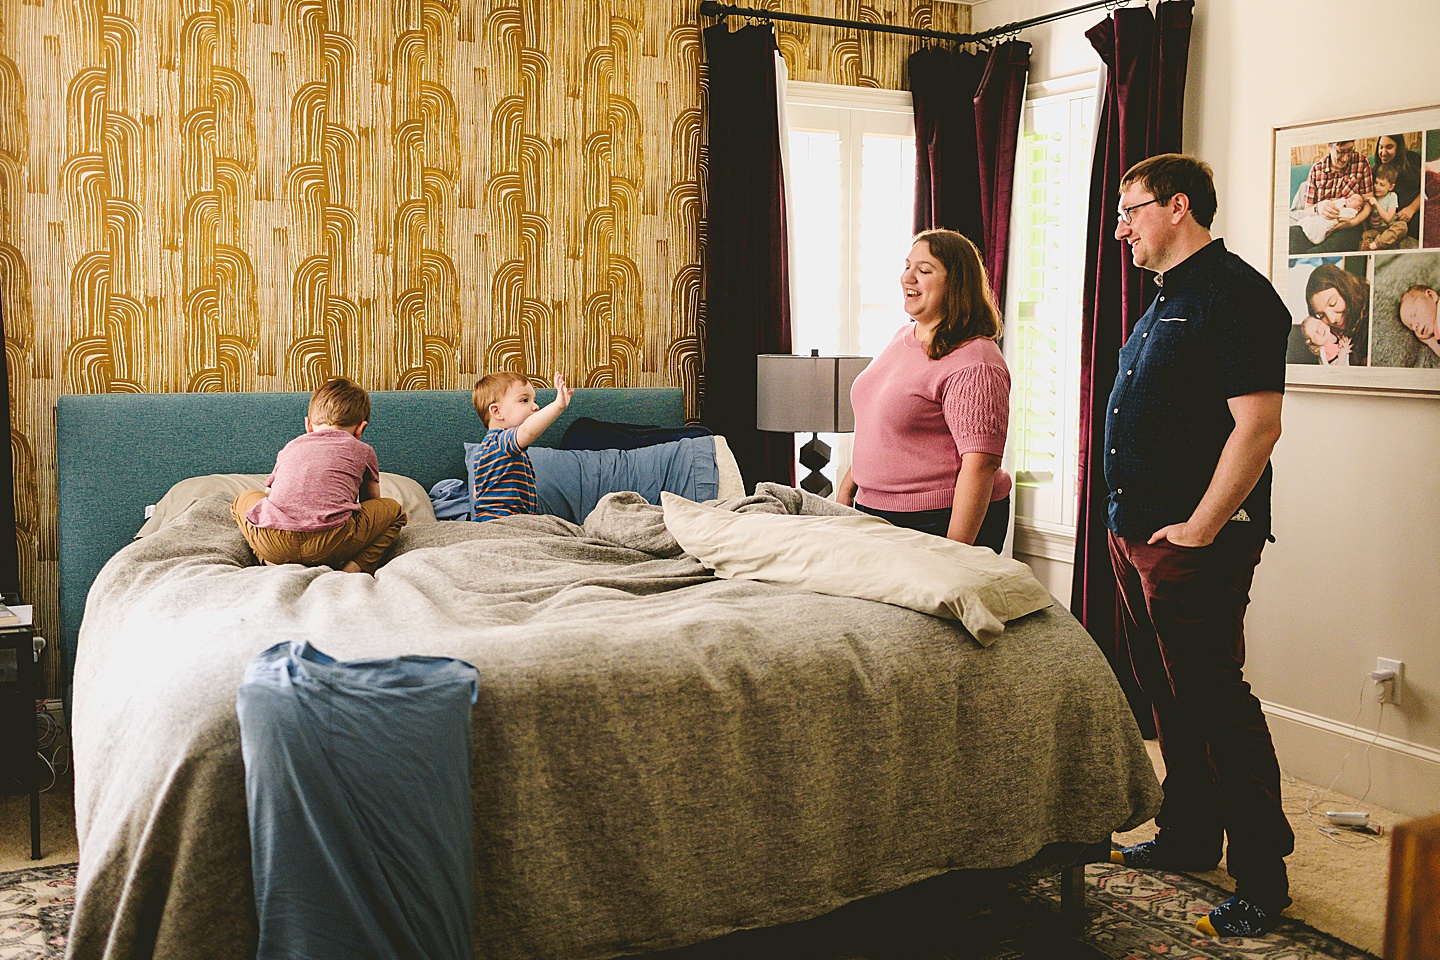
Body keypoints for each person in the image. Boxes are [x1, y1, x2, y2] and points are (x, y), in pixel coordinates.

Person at [1105, 154, 1293, 938]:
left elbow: (1259, 426)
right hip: (1137, 528)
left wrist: (1204, 526)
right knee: (1168, 697)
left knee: (1215, 698)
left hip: (1193, 539)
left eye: (1132, 211)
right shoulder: (1162, 300)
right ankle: (1188, 833)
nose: (1122, 229)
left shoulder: (1237, 295)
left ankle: (1262, 875)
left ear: (1178, 206)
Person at [834, 229, 1011, 553]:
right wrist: (847, 491)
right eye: (907, 266)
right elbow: (879, 428)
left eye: (924, 270)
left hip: (934, 521)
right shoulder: (903, 337)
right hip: (873, 514)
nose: (907, 278)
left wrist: (955, 555)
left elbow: (980, 464)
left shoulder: (975, 361)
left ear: (955, 283)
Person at [232, 377, 407, 574]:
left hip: (275, 543)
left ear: (308, 425)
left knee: (243, 499)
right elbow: (372, 502)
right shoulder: (363, 450)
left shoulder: (291, 446)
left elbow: (268, 495)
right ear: (360, 428)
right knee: (394, 512)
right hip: (331, 543)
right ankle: (352, 568)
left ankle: (268, 561)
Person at [469, 371, 574, 520]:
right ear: (496, 411)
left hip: (492, 519)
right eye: (524, 400)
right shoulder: (502, 441)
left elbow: (476, 491)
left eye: (534, 400)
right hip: (501, 519)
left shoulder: (482, 451)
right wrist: (558, 405)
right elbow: (527, 431)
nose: (536, 406)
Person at [1289, 140, 1373, 253]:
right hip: (1319, 223)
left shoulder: (1361, 163)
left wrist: (1353, 222)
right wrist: (1319, 207)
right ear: (1329, 146)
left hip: (1347, 227)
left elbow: (1368, 202)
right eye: (1340, 152)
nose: (1345, 158)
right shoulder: (1316, 170)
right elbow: (1308, 209)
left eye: (1350, 151)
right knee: (1291, 236)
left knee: (1327, 248)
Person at [1305, 262, 1370, 365]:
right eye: (1321, 315)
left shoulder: (1371, 312)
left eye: (1333, 303)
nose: (1331, 319)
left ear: (1346, 290)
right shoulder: (1328, 339)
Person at [1373, 134, 1422, 241]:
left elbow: (1428, 187)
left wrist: (1411, 209)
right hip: (1387, 222)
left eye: (1389, 147)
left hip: (1413, 215)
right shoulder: (1376, 169)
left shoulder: (1412, 159)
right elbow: (1371, 198)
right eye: (1380, 147)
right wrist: (1372, 218)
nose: (1383, 152)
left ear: (1399, 147)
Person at [1361, 164, 1406, 250]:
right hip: (1377, 231)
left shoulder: (1392, 196)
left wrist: (1376, 204)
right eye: (1376, 183)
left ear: (1391, 187)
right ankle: (1369, 246)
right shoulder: (1372, 196)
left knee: (1402, 226)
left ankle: (1376, 244)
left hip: (1390, 227)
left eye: (1382, 185)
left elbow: (1388, 219)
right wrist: (1370, 220)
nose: (1377, 187)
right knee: (1366, 234)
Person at [1398, 285, 1440, 360]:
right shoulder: (1436, 335)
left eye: (1414, 314)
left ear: (1431, 296)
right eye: (1411, 327)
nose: (1415, 327)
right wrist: (1429, 341)